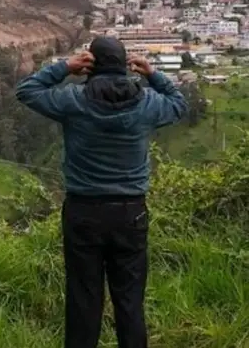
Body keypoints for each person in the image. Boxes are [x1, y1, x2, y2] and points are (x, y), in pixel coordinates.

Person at [15, 36, 188, 348]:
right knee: (130, 300)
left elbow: (27, 91)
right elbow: (179, 104)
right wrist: (152, 74)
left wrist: (64, 68)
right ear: (125, 66)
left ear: (90, 64)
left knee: (83, 299)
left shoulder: (74, 101)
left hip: (83, 210)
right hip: (130, 212)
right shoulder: (147, 104)